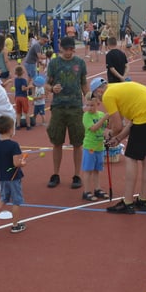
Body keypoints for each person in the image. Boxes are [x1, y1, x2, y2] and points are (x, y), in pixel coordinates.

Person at [90, 77, 146, 214]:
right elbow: (132, 121)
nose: (99, 100)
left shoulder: (108, 94)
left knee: (131, 158)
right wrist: (119, 138)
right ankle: (143, 200)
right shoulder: (120, 88)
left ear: (98, 90)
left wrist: (109, 134)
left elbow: (118, 126)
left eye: (96, 96)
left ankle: (128, 202)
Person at [45, 35, 88, 190]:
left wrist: (89, 98)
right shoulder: (54, 63)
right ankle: (55, 174)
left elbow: (83, 83)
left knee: (78, 142)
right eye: (66, 49)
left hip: (76, 107)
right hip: (58, 107)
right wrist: (52, 89)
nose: (69, 52)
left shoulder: (80, 63)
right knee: (57, 142)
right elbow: (46, 84)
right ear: (61, 48)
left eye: (72, 49)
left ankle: (77, 175)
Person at [0, 115, 27, 234]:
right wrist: (22, 163)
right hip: (13, 177)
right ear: (10, 130)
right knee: (16, 201)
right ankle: (15, 225)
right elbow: (15, 163)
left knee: (3, 198)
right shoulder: (14, 145)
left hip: (2, 177)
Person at [81, 95, 110, 202]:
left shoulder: (101, 114)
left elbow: (106, 127)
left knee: (97, 169)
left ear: (98, 104)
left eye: (92, 105)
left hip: (99, 147)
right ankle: (86, 191)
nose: (89, 107)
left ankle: (97, 189)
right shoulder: (86, 116)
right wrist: (104, 118)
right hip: (90, 147)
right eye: (87, 105)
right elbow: (93, 128)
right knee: (88, 170)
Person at [13, 65, 31, 129]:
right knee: (26, 112)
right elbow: (23, 89)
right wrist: (29, 87)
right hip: (23, 97)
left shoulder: (15, 80)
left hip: (17, 97)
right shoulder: (23, 80)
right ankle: (28, 125)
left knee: (18, 112)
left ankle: (18, 125)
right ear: (23, 72)